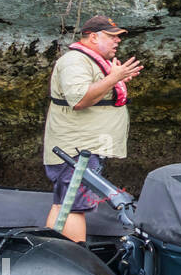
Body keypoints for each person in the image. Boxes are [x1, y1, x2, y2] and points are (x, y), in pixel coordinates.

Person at [42, 15, 143, 243]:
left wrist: (116, 78)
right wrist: (114, 78)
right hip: (76, 150)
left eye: (119, 37)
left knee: (63, 202)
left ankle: (51, 249)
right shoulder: (75, 61)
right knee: (74, 206)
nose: (117, 41)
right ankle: (75, 258)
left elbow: (96, 91)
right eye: (112, 37)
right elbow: (79, 100)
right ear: (93, 37)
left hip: (82, 148)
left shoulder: (92, 61)